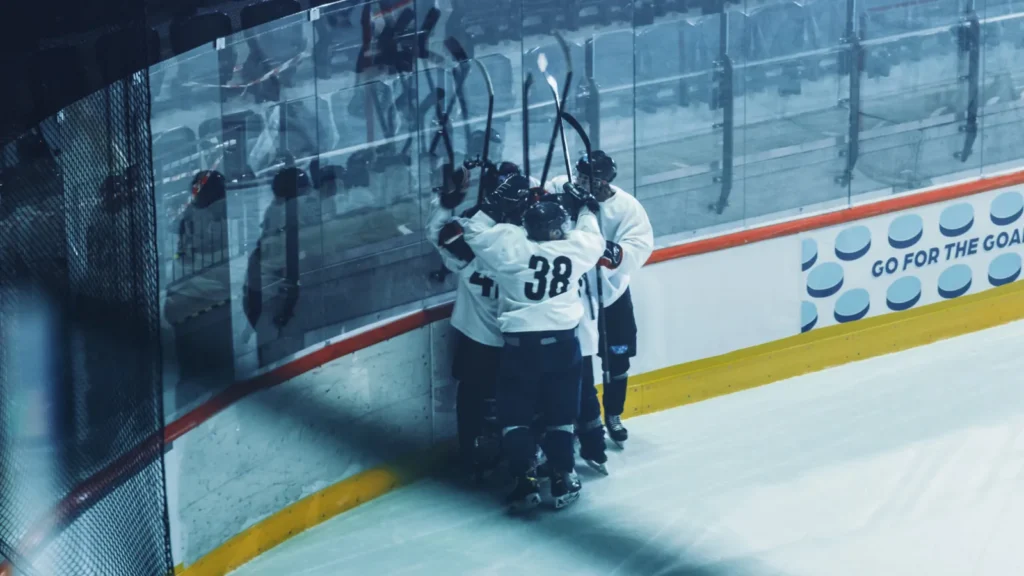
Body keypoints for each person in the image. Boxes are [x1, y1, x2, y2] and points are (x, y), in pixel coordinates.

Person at [446, 180, 604, 512]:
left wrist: (495, 202)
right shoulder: (575, 248)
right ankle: (562, 476)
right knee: (561, 414)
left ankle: (524, 480)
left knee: (515, 417)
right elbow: (593, 236)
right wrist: (585, 208)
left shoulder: (510, 245)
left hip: (520, 346)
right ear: (558, 229)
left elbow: (472, 229)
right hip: (562, 345)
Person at [427, 167, 533, 481]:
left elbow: (438, 233)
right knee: (520, 399)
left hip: (477, 340)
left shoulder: (468, 246)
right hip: (519, 339)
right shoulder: (529, 248)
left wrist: (448, 202)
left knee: (472, 398)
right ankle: (523, 457)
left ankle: (471, 453)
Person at [550, 150, 653, 447]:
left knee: (617, 358)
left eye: (589, 179)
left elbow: (638, 248)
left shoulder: (627, 207)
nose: (581, 182)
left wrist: (604, 251)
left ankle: (614, 414)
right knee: (578, 360)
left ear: (605, 181)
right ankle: (583, 419)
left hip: (611, 294)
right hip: (574, 295)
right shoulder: (561, 186)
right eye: (580, 176)